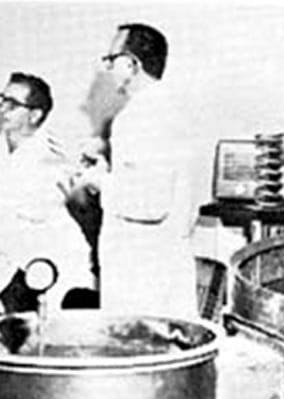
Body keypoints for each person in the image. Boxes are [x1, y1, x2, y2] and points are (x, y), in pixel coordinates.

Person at [74, 23, 201, 319]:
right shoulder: (169, 110)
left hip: (142, 273)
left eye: (111, 60)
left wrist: (99, 181)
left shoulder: (139, 117)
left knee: (137, 356)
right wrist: (107, 160)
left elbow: (149, 204)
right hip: (162, 263)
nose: (107, 68)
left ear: (132, 64)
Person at [0, 72, 93, 311]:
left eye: (12, 104)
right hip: (5, 274)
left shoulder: (54, 154)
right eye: (2, 99)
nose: (2, 108)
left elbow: (35, 207)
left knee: (52, 338)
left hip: (49, 269)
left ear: (35, 114)